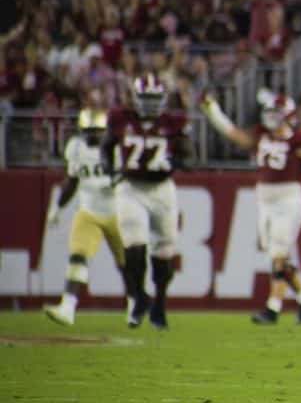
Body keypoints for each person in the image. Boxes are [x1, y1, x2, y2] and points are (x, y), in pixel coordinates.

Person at [200, 90, 301, 324]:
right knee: (279, 255)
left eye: (276, 113)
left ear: (288, 116)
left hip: (288, 200)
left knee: (278, 254)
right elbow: (235, 135)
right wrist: (213, 111)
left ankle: (272, 308)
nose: (271, 118)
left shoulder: (300, 139)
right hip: (264, 200)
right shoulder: (262, 135)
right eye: (270, 113)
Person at [102, 74, 193, 330]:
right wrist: (110, 171)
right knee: (134, 247)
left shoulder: (172, 123)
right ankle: (140, 296)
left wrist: (175, 162)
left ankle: (159, 305)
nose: (150, 104)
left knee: (164, 252)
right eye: (145, 98)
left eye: (154, 98)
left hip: (162, 189)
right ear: (135, 97)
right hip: (131, 188)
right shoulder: (121, 119)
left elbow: (190, 155)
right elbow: (106, 147)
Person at [43, 108, 126, 326]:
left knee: (128, 264)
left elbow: (128, 178)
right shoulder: (76, 148)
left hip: (117, 211)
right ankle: (68, 307)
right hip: (88, 211)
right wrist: (57, 208)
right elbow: (71, 182)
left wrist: (116, 184)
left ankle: (137, 302)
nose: (93, 136)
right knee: (78, 256)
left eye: (97, 131)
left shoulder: (116, 148)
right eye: (89, 131)